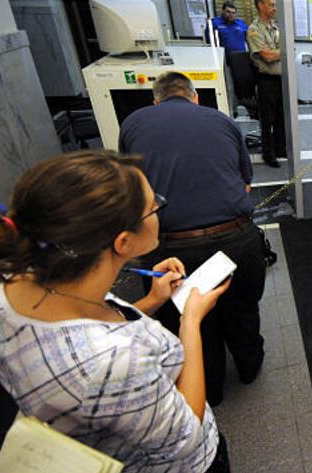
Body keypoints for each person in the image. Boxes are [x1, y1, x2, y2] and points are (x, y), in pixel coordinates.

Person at [0, 150, 231, 472]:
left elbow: (92, 332)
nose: (157, 209)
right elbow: (186, 435)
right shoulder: (111, 363)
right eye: (153, 205)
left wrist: (151, 302)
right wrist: (191, 320)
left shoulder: (0, 287)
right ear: (123, 242)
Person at [118, 71, 266, 407]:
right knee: (242, 309)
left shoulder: (133, 124)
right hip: (236, 240)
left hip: (171, 249)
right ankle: (249, 368)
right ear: (194, 96)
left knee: (188, 322)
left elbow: (134, 190)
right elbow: (245, 182)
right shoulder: (223, 121)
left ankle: (208, 389)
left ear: (155, 100)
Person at [247, 0, 284, 168]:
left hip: (281, 79)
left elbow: (274, 53)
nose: (274, 8)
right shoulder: (254, 30)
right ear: (260, 5)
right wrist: (284, 51)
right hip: (265, 80)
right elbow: (267, 57)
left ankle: (280, 148)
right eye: (271, 4)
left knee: (281, 117)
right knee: (267, 119)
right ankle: (269, 154)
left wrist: (277, 52)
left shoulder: (275, 27)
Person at [207, 1, 256, 110]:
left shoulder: (241, 24)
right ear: (223, 11)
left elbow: (250, 39)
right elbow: (210, 41)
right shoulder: (215, 23)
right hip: (224, 62)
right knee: (228, 87)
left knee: (243, 85)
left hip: (241, 61)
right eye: (228, 12)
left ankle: (245, 106)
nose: (230, 15)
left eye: (233, 12)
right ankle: (230, 108)